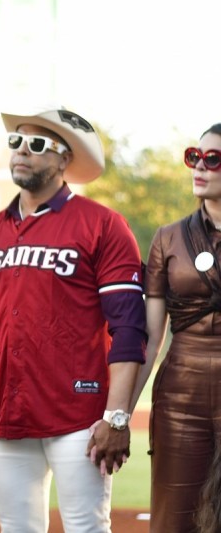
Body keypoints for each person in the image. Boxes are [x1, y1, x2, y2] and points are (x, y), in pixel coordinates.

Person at [0, 107, 147, 532]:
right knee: (17, 529)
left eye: (36, 144)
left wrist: (117, 417)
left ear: (65, 158)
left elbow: (128, 328)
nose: (21, 152)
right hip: (7, 413)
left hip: (79, 415)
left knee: (86, 527)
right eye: (15, 142)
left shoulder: (103, 225)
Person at [130, 123, 221, 532]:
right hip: (181, 398)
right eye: (194, 157)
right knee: (174, 520)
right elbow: (151, 337)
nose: (199, 167)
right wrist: (119, 416)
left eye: (212, 159)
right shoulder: (167, 238)